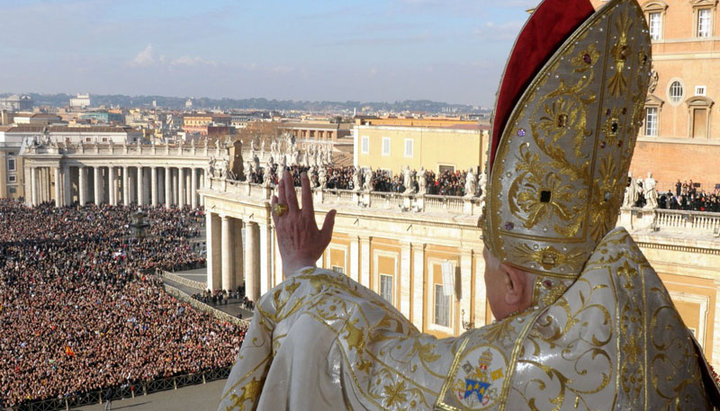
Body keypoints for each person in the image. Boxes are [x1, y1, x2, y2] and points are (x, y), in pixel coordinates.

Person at [219, 0, 720, 409]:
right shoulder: (660, 342)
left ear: (510, 283)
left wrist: (301, 268)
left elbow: (356, 366)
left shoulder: (509, 379)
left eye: (488, 265)